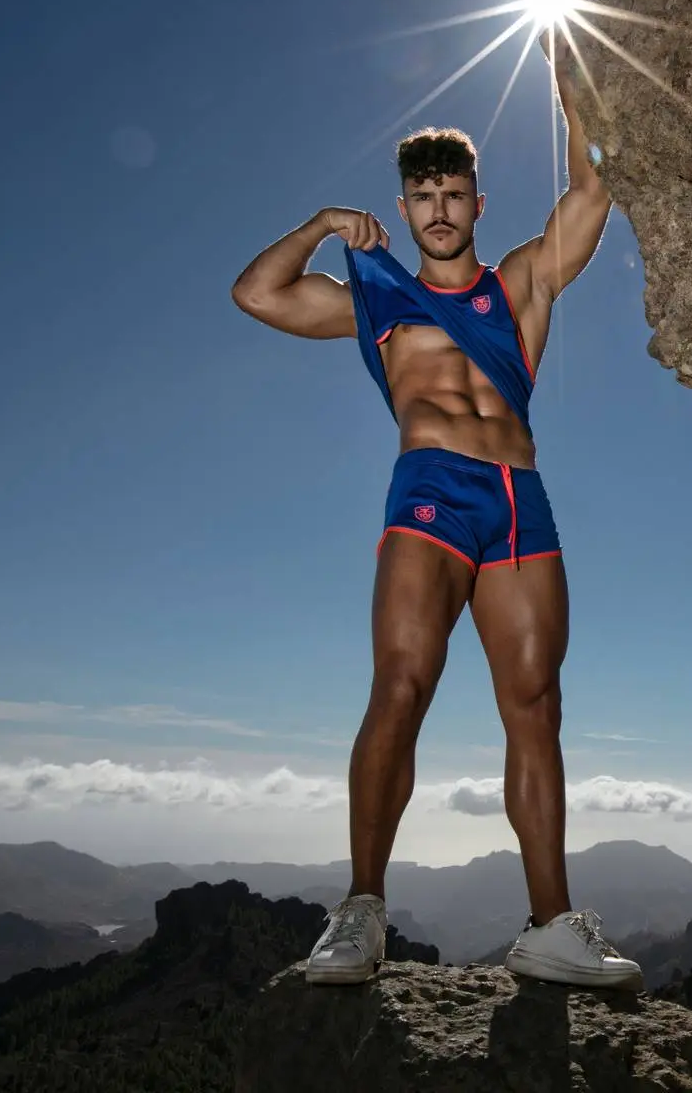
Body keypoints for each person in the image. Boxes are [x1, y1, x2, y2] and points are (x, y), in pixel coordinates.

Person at [229, 61, 642, 992]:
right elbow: (257, 294)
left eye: (454, 194)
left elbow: (593, 190)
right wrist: (321, 225)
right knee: (403, 683)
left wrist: (571, 90)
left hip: (520, 500)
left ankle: (550, 927)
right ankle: (361, 911)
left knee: (535, 705)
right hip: (431, 493)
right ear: (404, 209)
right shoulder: (374, 300)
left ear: (477, 203)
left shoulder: (521, 285)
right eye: (423, 197)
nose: (440, 210)